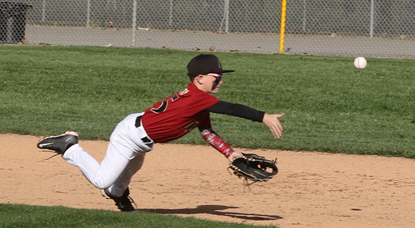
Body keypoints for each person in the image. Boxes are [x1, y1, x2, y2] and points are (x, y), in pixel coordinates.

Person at [37, 54, 285, 212]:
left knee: (128, 174)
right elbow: (230, 109)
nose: (220, 81)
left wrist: (229, 153)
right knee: (102, 179)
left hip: (140, 139)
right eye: (216, 77)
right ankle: (70, 147)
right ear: (200, 78)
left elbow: (207, 131)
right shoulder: (198, 98)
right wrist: (263, 116)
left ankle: (118, 196)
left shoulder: (199, 101)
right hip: (128, 136)